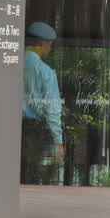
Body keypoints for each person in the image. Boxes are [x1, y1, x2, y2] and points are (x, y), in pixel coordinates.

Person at [21, 21, 63, 185]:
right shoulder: (46, 72)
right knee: (35, 179)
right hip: (36, 132)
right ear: (42, 43)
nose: (50, 48)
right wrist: (58, 143)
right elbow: (52, 110)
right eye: (49, 44)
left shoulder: (11, 65)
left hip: (12, 130)